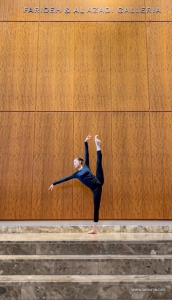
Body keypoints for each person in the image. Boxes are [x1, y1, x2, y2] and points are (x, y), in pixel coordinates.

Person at [48, 134, 104, 234]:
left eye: (75, 162)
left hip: (98, 179)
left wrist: (85, 142)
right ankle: (94, 229)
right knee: (96, 208)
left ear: (79, 162)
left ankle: (97, 144)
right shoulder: (76, 174)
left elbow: (86, 154)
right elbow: (65, 179)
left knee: (98, 163)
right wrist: (54, 183)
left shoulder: (86, 166)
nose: (74, 163)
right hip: (96, 189)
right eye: (73, 162)